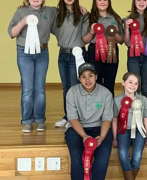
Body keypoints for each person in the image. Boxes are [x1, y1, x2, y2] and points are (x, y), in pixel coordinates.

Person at [8, 0, 57, 132]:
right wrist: (22, 22)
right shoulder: (20, 11)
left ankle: (40, 119)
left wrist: (79, 6)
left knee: (40, 89)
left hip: (42, 53)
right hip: (24, 53)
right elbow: (12, 33)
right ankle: (27, 121)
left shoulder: (50, 11)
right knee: (28, 89)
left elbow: (67, 8)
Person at [65, 62, 113, 180]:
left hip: (99, 128)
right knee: (76, 156)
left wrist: (102, 136)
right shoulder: (72, 92)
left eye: (90, 75)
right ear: (79, 79)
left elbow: (107, 118)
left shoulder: (106, 93)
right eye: (83, 76)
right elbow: (73, 118)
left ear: (96, 76)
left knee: (103, 158)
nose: (87, 80)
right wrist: (84, 136)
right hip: (77, 129)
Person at [51, 0, 87, 127]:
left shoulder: (83, 14)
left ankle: (75, 118)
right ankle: (68, 116)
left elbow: (86, 35)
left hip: (76, 55)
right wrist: (25, 6)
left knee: (75, 88)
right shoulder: (55, 13)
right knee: (66, 88)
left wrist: (79, 8)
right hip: (62, 54)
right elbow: (39, 12)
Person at [112, 72, 147, 180]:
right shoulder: (116, 100)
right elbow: (115, 119)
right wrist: (115, 138)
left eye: (136, 83)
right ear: (123, 82)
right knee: (122, 153)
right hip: (123, 130)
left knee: (137, 155)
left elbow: (146, 118)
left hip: (140, 131)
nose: (133, 85)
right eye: (130, 82)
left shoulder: (143, 99)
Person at [82, 0, 124, 97]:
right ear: (95, 2)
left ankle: (109, 111)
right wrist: (92, 32)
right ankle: (97, 110)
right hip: (94, 52)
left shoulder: (115, 17)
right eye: (99, 0)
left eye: (105, 0)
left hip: (112, 51)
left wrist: (116, 33)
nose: (102, 2)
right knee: (96, 83)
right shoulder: (89, 17)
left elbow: (122, 41)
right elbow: (84, 40)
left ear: (109, 2)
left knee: (110, 83)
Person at [124, 0, 147, 103]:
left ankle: (145, 113)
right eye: (138, 0)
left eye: (144, 0)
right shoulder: (128, 19)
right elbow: (126, 42)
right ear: (134, 2)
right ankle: (134, 113)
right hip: (133, 56)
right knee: (134, 86)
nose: (141, 2)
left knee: (145, 87)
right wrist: (127, 28)